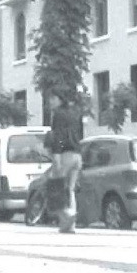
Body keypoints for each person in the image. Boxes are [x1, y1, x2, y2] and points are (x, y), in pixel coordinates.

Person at [45, 92, 83, 233]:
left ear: (61, 100)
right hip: (77, 154)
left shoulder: (58, 115)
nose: (50, 101)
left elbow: (59, 136)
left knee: (55, 187)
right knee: (70, 189)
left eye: (53, 98)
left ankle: (67, 214)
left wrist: (57, 155)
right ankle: (69, 226)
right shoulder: (74, 113)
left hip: (65, 154)